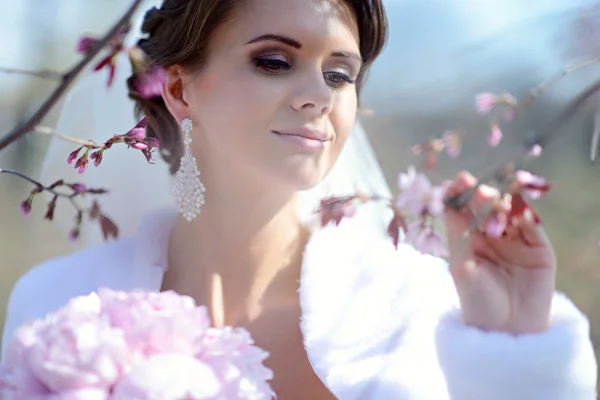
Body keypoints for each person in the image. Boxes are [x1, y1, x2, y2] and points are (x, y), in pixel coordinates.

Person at [1, 0, 597, 399]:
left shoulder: (420, 306)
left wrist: (520, 349)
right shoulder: (61, 310)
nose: (319, 96)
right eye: (274, 61)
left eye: (340, 74)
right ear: (179, 89)